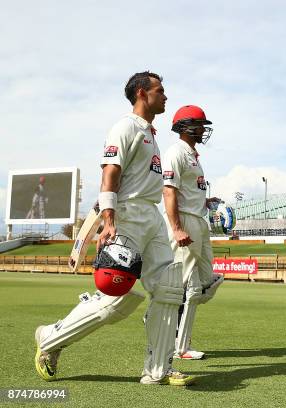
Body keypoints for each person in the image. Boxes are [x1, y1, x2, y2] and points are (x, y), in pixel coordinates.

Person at [34, 72, 195, 386]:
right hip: (127, 216)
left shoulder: (151, 135)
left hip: (151, 217)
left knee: (169, 287)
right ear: (141, 93)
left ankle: (158, 371)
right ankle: (50, 339)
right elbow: (110, 174)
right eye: (160, 91)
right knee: (116, 297)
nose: (165, 97)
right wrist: (108, 221)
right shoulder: (125, 127)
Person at [162, 105, 224, 360]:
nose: (203, 130)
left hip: (198, 220)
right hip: (184, 223)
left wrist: (206, 203)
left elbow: (188, 192)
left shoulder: (193, 155)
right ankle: (178, 346)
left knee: (208, 280)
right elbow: (169, 192)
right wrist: (176, 228)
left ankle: (163, 320)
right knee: (189, 286)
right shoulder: (175, 153)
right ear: (186, 126)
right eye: (200, 125)